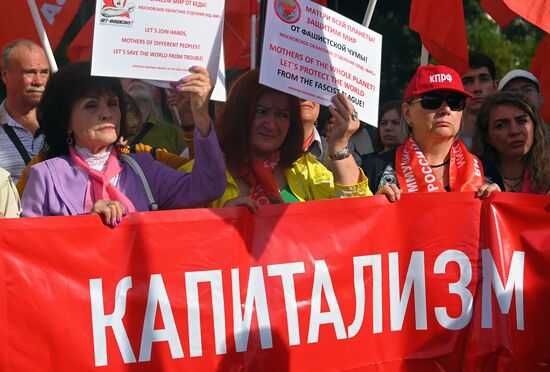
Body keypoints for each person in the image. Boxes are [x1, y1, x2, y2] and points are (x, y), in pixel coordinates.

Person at [21, 62, 226, 225]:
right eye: (91, 105)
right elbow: (33, 254)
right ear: (65, 122)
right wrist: (86, 226)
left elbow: (209, 188)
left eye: (112, 103)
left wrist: (200, 114)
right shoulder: (44, 176)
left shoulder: (143, 168)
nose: (106, 113)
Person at [181, 69, 378, 212]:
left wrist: (340, 146)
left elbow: (356, 215)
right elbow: (175, 246)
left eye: (282, 114)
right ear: (239, 114)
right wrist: (220, 223)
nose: (272, 124)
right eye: (261, 112)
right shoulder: (196, 174)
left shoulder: (303, 169)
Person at [362, 64, 500, 200]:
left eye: (455, 102)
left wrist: (497, 204)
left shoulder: (486, 171)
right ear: (407, 113)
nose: (446, 109)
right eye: (432, 101)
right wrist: (374, 210)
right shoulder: (375, 168)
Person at [472, 91, 550, 194]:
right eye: (501, 125)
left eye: (521, 121)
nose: (515, 131)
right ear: (487, 136)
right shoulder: (471, 179)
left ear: (534, 126)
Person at [0, 39, 49, 183]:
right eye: (30, 72)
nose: (39, 81)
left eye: (44, 72)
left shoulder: (64, 125)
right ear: (5, 75)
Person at [121, 78, 188, 155]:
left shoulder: (175, 134)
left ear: (153, 91)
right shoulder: (112, 132)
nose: (136, 79)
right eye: (128, 75)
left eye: (144, 76)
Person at [460, 51, 498, 149]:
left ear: (495, 86)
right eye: (467, 81)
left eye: (484, 79)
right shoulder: (445, 133)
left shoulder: (512, 129)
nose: (477, 88)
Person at [300, 99, 328, 164]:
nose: (305, 97)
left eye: (313, 91)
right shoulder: (273, 145)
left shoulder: (339, 148)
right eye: (298, 89)